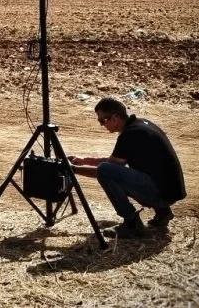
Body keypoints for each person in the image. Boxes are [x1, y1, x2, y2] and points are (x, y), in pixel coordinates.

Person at [68, 97, 186, 238]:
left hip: (161, 194)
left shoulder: (130, 134)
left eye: (102, 120)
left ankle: (131, 224)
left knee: (105, 171)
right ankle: (163, 212)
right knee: (113, 170)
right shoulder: (140, 125)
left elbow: (107, 170)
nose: (101, 125)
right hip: (169, 191)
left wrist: (73, 169)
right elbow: (115, 163)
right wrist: (84, 160)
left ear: (115, 118)